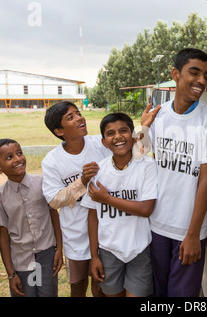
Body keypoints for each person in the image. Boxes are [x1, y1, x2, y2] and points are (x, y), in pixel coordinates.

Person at [141, 48, 207, 296]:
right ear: (175, 74)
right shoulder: (159, 115)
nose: (201, 81)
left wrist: (192, 235)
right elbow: (137, 157)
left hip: (187, 230)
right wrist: (143, 127)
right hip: (156, 226)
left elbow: (205, 179)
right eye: (194, 72)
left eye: (206, 75)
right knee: (159, 293)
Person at [81, 113, 157, 297]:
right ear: (104, 142)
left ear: (133, 136)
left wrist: (107, 199)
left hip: (139, 248)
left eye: (123, 131)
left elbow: (146, 209)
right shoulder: (98, 171)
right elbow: (93, 215)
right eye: (110, 133)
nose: (117, 136)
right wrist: (94, 256)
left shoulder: (147, 165)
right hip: (109, 250)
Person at [41, 101, 110, 297]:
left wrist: (145, 127)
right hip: (75, 236)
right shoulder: (52, 160)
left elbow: (132, 150)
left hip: (105, 231)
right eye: (70, 117)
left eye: (78, 113)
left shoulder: (100, 143)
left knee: (101, 285)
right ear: (59, 131)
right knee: (78, 285)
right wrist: (83, 180)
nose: (79, 118)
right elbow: (54, 200)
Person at [0, 139, 63, 297]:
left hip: (46, 254)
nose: (17, 159)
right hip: (21, 259)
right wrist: (10, 273)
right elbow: (3, 235)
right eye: (9, 157)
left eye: (19, 153)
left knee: (48, 294)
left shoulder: (43, 183)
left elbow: (53, 215)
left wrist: (59, 250)